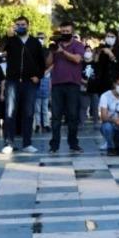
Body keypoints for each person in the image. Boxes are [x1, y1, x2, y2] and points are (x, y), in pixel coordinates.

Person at [0, 16, 46, 154]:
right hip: (13, 81)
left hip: (29, 83)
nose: (21, 26)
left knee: (28, 113)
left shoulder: (35, 42)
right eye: (18, 24)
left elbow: (41, 63)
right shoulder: (11, 40)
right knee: (10, 112)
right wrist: (6, 36)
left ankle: (27, 143)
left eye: (23, 24)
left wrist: (38, 76)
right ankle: (9, 142)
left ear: (28, 25)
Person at [46, 21, 85, 154]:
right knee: (56, 116)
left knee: (72, 116)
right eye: (63, 32)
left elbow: (77, 59)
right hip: (57, 84)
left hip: (73, 84)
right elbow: (48, 63)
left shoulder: (78, 45)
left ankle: (73, 144)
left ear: (72, 32)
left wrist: (62, 52)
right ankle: (54, 145)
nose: (65, 34)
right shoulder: (56, 45)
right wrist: (52, 51)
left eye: (68, 32)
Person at [98, 80, 119, 156]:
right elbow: (103, 117)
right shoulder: (105, 96)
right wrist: (115, 120)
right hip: (109, 123)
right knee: (107, 127)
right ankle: (110, 147)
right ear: (114, 84)